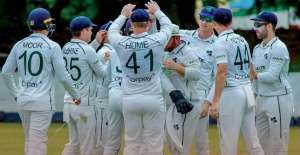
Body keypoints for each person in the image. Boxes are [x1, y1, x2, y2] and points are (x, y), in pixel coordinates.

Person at [108, 1, 192, 154]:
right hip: (153, 97)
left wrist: (123, 15)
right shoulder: (157, 39)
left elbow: (112, 30)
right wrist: (158, 11)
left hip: (130, 98)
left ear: (131, 24)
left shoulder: (121, 41)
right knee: (154, 143)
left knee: (132, 143)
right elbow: (168, 26)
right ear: (148, 24)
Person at [1, 8, 80, 155]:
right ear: (45, 25)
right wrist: (75, 94)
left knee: (30, 141)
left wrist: (16, 93)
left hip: (23, 99)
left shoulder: (19, 44)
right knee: (38, 143)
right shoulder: (52, 46)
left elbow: (6, 72)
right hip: (42, 101)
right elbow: (63, 76)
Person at [207, 8, 265, 155]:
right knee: (253, 142)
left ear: (214, 23)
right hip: (247, 91)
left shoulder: (219, 43)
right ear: (231, 22)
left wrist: (215, 101)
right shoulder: (242, 39)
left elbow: (222, 72)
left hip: (231, 93)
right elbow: (253, 71)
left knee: (228, 143)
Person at [61, 16, 107, 155]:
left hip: (69, 102)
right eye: (90, 29)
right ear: (84, 30)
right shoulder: (88, 50)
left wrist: (96, 42)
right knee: (88, 146)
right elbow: (102, 74)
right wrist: (106, 61)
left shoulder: (66, 47)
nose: (92, 32)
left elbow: (83, 55)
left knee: (73, 143)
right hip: (84, 104)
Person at [251, 11, 294, 155]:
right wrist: (254, 96)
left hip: (278, 98)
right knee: (260, 143)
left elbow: (272, 76)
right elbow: (255, 77)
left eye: (258, 24)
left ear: (269, 26)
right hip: (261, 99)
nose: (255, 28)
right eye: (254, 25)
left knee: (278, 143)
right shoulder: (257, 49)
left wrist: (254, 75)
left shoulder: (278, 47)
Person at [180, 6, 217, 155]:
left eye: (208, 19)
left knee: (202, 143)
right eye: (202, 18)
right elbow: (162, 34)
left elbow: (218, 78)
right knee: (180, 142)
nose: (204, 22)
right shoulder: (185, 35)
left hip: (200, 96)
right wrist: (155, 16)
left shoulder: (218, 45)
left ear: (215, 22)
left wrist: (208, 103)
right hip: (181, 93)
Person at [164, 24, 200, 155]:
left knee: (181, 148)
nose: (164, 42)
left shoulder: (187, 51)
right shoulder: (166, 52)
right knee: (174, 148)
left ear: (176, 39)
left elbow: (197, 74)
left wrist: (177, 67)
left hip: (188, 104)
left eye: (167, 39)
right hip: (174, 105)